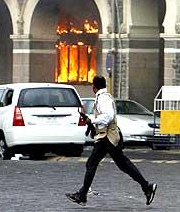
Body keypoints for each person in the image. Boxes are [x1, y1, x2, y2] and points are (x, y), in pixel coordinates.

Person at [66, 76, 157, 207]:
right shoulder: (103, 97)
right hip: (106, 137)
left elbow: (108, 116)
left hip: (108, 138)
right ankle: (146, 186)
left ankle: (82, 195)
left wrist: (92, 120)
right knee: (121, 164)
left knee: (96, 163)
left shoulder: (103, 98)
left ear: (94, 87)